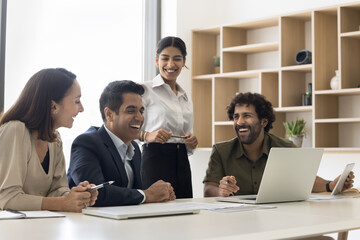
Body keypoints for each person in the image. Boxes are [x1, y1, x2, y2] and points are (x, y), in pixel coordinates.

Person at [203, 92, 355, 197]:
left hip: (278, 220)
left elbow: (303, 179)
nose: (240, 122)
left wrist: (332, 185)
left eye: (247, 116)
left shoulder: (285, 148)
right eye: (236, 117)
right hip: (236, 224)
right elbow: (208, 188)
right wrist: (220, 191)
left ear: (264, 121)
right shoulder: (221, 151)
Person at [0, 68, 98, 212]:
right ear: (53, 106)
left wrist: (76, 196)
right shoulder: (15, 130)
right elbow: (6, 198)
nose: (81, 109)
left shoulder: (55, 139)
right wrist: (63, 203)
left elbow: (57, 190)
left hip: (40, 227)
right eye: (77, 101)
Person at [67, 80, 176, 207]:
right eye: (131, 111)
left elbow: (135, 194)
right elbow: (95, 193)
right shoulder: (86, 143)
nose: (140, 118)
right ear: (109, 114)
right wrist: (148, 195)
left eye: (141, 111)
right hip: (92, 224)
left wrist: (161, 195)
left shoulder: (134, 148)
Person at [139, 36, 198, 198]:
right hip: (155, 158)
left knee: (185, 210)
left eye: (177, 59)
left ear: (184, 61)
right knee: (157, 212)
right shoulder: (144, 90)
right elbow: (124, 128)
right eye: (165, 58)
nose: (171, 65)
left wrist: (192, 142)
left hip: (182, 160)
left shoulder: (185, 96)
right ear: (157, 60)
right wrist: (148, 135)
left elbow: (188, 135)